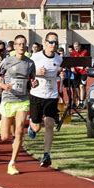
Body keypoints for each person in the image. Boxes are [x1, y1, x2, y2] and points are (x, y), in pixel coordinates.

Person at [0, 35, 37, 175]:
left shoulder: (30, 63)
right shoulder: (7, 61)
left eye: (23, 44)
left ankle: (12, 163)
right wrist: (4, 86)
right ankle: (0, 125)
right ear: (15, 46)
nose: (21, 46)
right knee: (5, 137)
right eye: (19, 44)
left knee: (19, 131)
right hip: (8, 99)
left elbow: (33, 81)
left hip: (23, 100)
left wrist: (35, 83)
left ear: (26, 46)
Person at [27, 32, 63, 168]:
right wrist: (36, 74)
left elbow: (57, 71)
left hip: (51, 95)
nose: (53, 45)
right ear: (45, 42)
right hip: (37, 94)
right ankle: (32, 124)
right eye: (51, 42)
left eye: (56, 43)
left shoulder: (59, 59)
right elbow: (27, 73)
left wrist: (60, 73)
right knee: (37, 127)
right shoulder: (35, 57)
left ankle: (47, 154)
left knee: (49, 123)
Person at [70, 41, 89, 109]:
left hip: (83, 72)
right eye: (74, 47)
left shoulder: (85, 52)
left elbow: (88, 61)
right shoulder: (72, 53)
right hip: (76, 72)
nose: (76, 48)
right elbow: (71, 62)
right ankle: (77, 100)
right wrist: (72, 68)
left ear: (80, 46)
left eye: (77, 47)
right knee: (76, 88)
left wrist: (87, 66)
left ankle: (81, 102)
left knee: (82, 86)